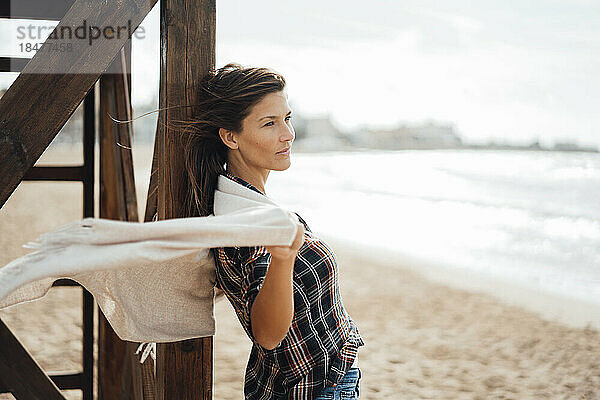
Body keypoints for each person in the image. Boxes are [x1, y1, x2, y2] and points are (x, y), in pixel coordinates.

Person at [180, 63, 364, 399]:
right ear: (230, 136)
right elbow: (266, 333)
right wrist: (283, 258)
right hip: (312, 390)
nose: (288, 134)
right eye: (270, 123)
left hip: (306, 383)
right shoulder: (250, 223)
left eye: (287, 119)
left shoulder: (241, 204)